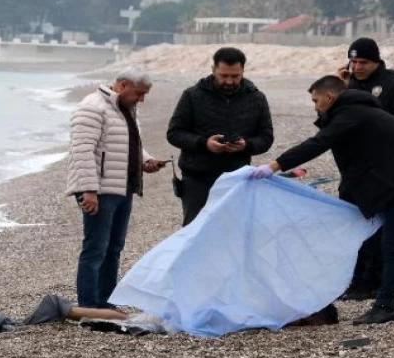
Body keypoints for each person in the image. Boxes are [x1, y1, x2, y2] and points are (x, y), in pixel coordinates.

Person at [248, 75, 394, 325]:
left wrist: (274, 165)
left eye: (316, 100)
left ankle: (386, 305)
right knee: (379, 241)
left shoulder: (353, 113)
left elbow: (318, 143)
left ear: (330, 97)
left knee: (393, 245)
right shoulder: (354, 111)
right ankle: (369, 290)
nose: (315, 106)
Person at [65, 69, 165, 309]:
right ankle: (88, 305)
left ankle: (106, 301)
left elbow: (129, 144)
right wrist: (88, 190)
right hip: (99, 189)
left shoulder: (125, 108)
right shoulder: (92, 107)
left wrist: (146, 161)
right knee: (96, 249)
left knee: (113, 249)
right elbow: (82, 151)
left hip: (123, 188)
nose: (142, 99)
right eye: (140, 93)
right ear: (122, 85)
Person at [337, 37, 394, 301]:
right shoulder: (345, 85)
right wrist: (340, 88)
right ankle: (357, 280)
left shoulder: (393, 82)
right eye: (353, 61)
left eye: (363, 62)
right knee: (354, 224)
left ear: (376, 61)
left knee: (382, 228)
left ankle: (376, 282)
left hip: (385, 169)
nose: (357, 67)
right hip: (355, 169)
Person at [167, 47, 274, 226]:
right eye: (223, 76)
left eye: (235, 76)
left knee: (233, 233)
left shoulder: (256, 98)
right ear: (213, 70)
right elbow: (174, 133)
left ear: (243, 71)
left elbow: (266, 137)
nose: (229, 81)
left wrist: (246, 145)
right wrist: (204, 143)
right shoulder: (192, 95)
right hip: (197, 179)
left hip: (237, 179)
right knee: (195, 232)